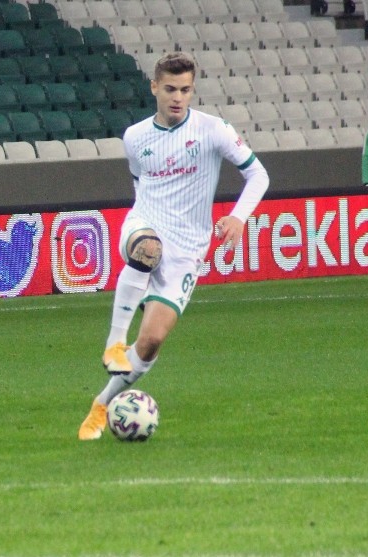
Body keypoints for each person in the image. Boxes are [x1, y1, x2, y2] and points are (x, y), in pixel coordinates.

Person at [78, 52, 270, 440]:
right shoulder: (135, 136)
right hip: (145, 226)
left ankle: (101, 404)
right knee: (148, 248)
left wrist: (237, 217)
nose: (177, 97)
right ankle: (114, 343)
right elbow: (139, 184)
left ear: (192, 90)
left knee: (151, 342)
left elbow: (258, 175)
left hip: (188, 249)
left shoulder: (213, 129)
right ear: (154, 87)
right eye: (170, 89)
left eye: (185, 90)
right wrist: (147, 220)